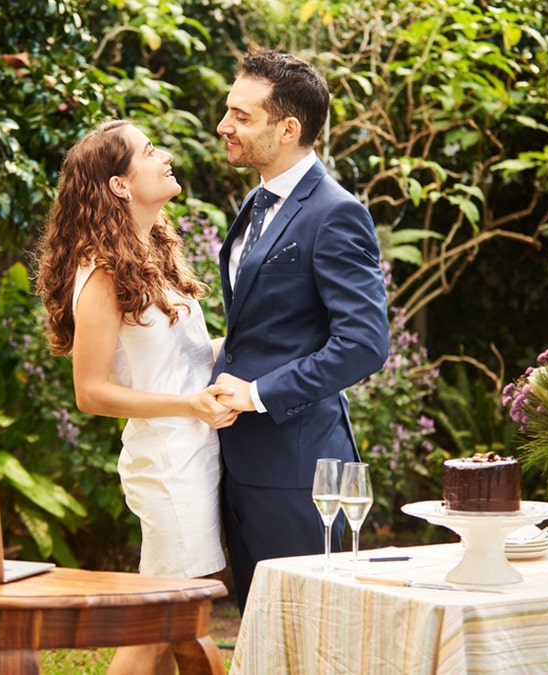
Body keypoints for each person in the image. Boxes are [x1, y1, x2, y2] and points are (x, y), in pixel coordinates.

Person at [33, 119, 237, 675]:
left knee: (164, 624)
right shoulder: (99, 273)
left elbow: (185, 361)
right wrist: (190, 405)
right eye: (150, 151)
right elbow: (91, 393)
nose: (165, 156)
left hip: (195, 457)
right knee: (170, 626)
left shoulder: (154, 257)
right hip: (168, 466)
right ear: (120, 185)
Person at [212, 50, 390, 611]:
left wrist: (258, 394)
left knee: (310, 634)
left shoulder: (335, 213)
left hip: (299, 472)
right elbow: (261, 329)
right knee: (261, 632)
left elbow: (364, 344)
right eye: (227, 112)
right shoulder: (255, 201)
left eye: (243, 116)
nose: (224, 126)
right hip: (239, 461)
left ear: (288, 129)